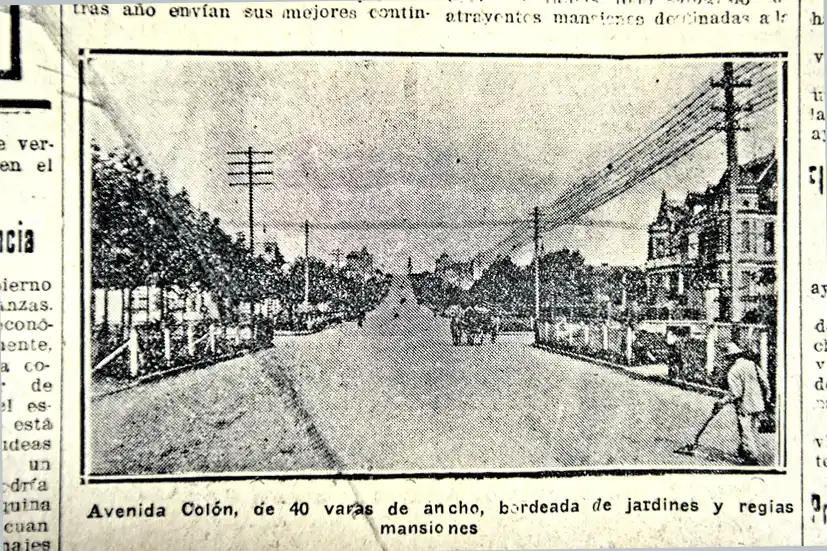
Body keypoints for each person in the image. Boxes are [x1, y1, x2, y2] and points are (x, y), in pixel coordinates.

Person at [713, 342, 770, 466]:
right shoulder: (752, 364)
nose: (727, 360)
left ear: (732, 357)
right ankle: (744, 449)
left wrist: (721, 402)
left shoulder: (733, 371)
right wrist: (767, 396)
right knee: (753, 428)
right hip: (758, 403)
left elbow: (735, 393)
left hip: (744, 405)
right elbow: (764, 381)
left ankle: (751, 458)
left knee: (745, 430)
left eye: (728, 358)